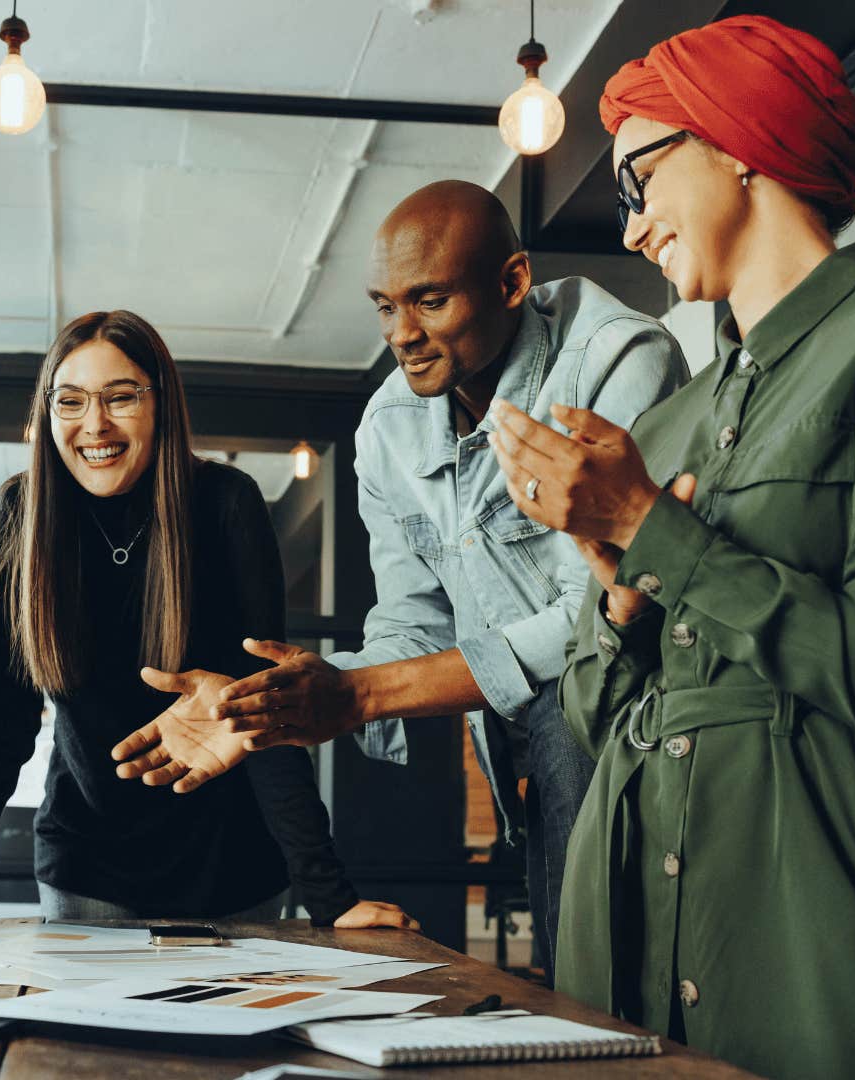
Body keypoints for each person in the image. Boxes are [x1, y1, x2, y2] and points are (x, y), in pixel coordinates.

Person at [479, 16, 855, 1077]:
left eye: (639, 180)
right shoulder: (672, 426)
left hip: (818, 943)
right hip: (625, 934)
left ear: (737, 141)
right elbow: (595, 717)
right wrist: (618, 598)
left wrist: (651, 532)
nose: (632, 228)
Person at [112, 183, 687, 976]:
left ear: (512, 283)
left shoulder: (618, 361)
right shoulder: (388, 425)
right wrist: (275, 698)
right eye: (384, 307)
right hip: (530, 742)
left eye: (430, 301)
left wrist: (359, 697)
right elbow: (411, 619)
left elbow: (595, 622)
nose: (402, 335)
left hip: (648, 719)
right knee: (574, 974)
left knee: (612, 978)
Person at [0, 310, 411, 930]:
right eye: (70, 400)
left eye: (121, 396)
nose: (95, 424)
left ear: (161, 403)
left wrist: (331, 898)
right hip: (87, 872)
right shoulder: (20, 517)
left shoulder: (226, 504)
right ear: (48, 412)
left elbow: (264, 704)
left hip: (235, 871)